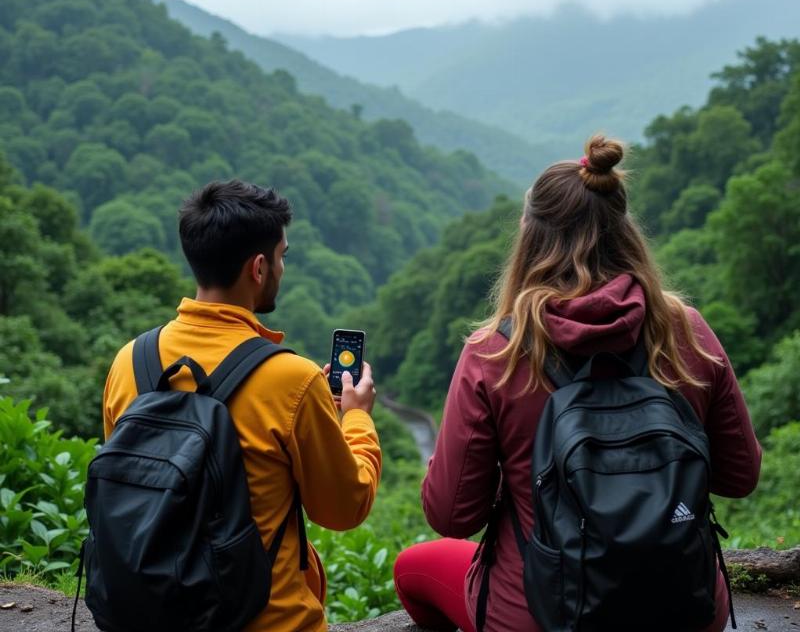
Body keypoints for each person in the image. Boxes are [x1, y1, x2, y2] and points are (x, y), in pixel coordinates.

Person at [393, 135, 761, 632]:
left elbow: (452, 516)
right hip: (685, 606)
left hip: (539, 612)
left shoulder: (496, 352)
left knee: (414, 567)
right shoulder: (685, 331)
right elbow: (740, 476)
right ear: (625, 230)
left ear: (529, 236)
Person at [102, 179, 381, 632]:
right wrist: (356, 419)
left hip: (151, 614)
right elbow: (342, 509)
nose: (282, 268)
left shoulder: (129, 361)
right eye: (282, 256)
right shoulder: (292, 379)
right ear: (258, 267)